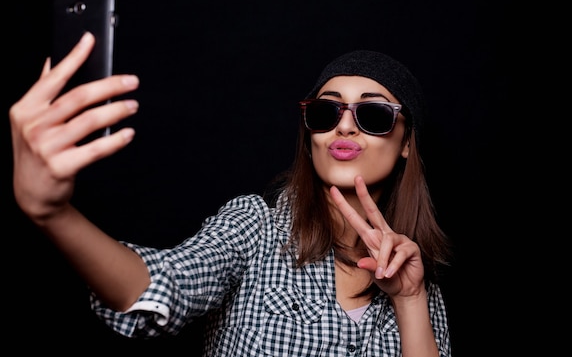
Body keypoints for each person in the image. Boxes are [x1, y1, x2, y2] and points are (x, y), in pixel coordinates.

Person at [10, 32, 452, 356]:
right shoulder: (254, 227)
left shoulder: (418, 286)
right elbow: (160, 290)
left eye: (373, 113)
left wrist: (409, 300)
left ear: (407, 143)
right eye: (326, 110)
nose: (345, 125)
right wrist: (54, 213)